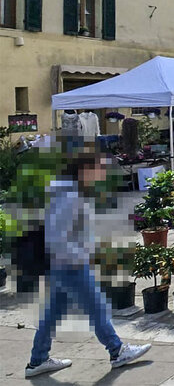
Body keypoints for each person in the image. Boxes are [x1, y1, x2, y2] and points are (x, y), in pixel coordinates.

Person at [25, 142, 151, 378]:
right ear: (85, 169)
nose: (101, 174)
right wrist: (81, 255)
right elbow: (59, 234)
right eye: (99, 169)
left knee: (52, 313)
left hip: (61, 261)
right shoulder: (70, 195)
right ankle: (117, 350)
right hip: (70, 262)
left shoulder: (65, 190)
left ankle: (37, 360)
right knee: (97, 308)